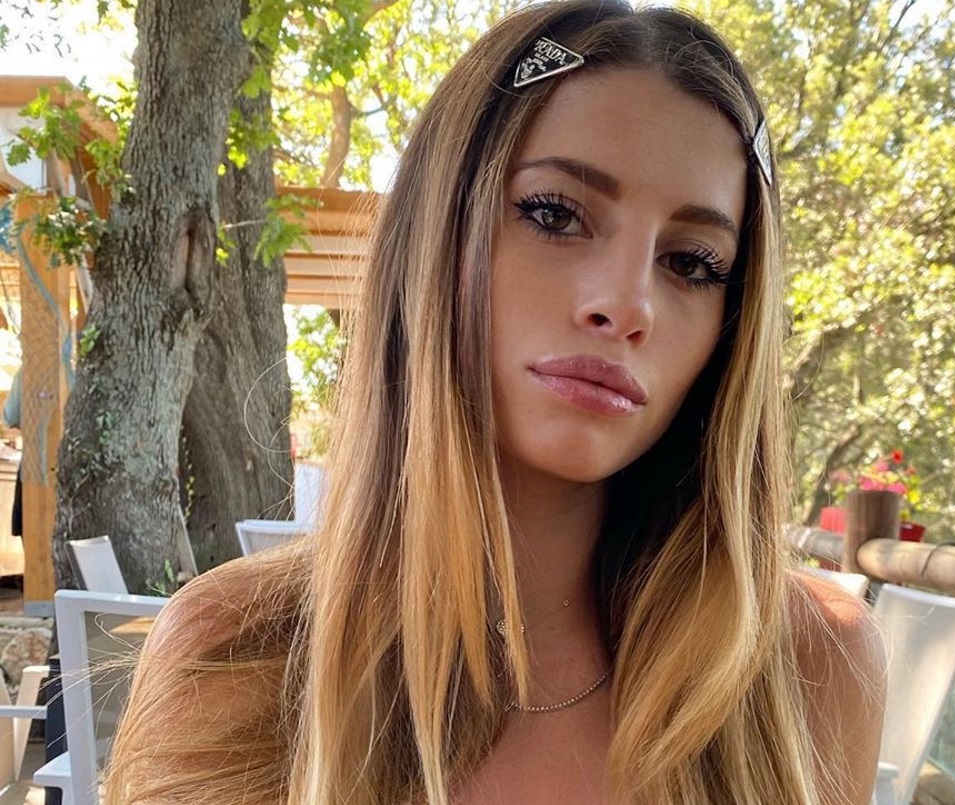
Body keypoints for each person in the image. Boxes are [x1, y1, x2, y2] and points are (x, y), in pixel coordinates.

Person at [106, 2, 885, 803]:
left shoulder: (809, 670)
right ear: (437, 233)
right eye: (555, 213)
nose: (628, 305)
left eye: (692, 262)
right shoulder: (229, 658)